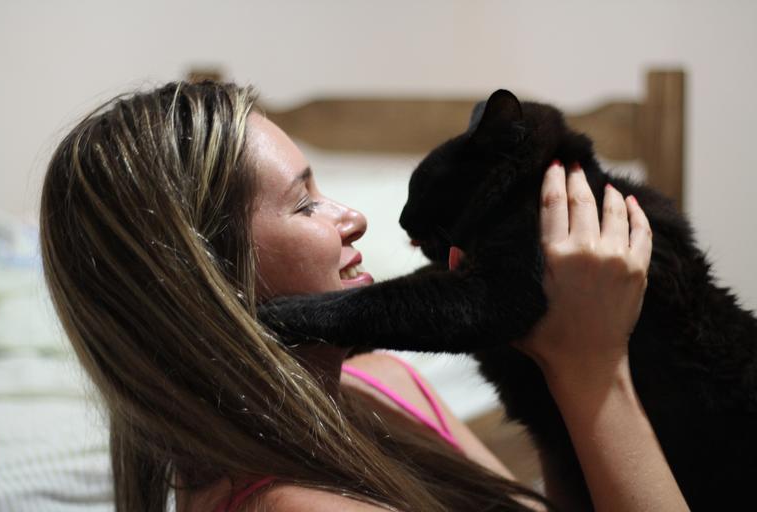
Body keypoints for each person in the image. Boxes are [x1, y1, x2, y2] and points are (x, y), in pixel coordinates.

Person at [39, 81, 688, 512]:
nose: (353, 218)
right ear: (208, 275)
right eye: (304, 203)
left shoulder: (385, 384)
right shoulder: (293, 505)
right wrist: (594, 368)